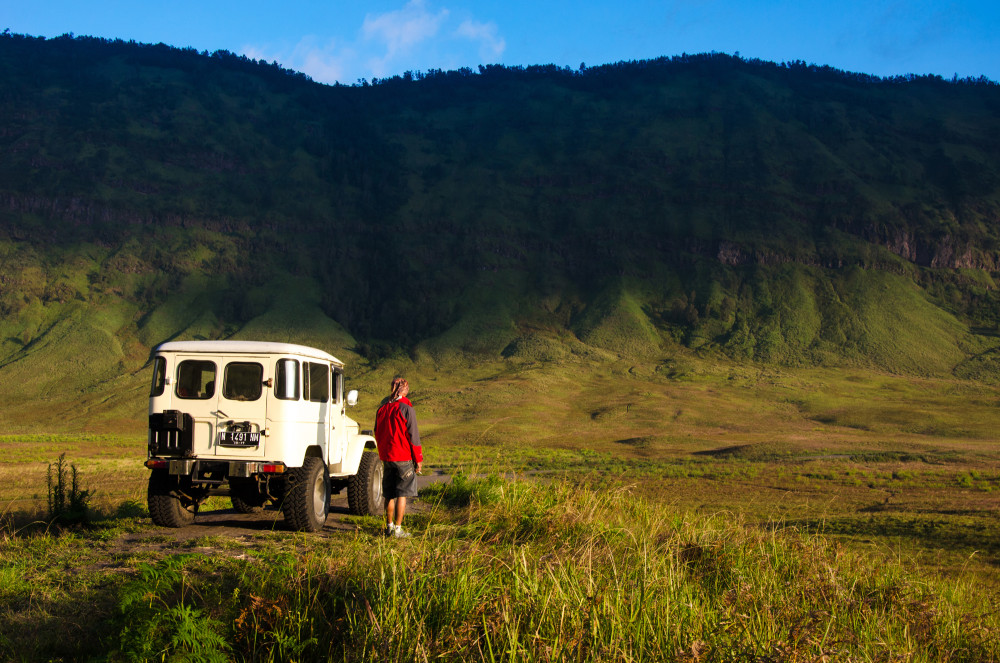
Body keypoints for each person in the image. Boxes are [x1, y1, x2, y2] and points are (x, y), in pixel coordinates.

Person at [374, 377, 423, 538]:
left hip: (386, 457)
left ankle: (388, 527)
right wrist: (419, 459)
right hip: (402, 456)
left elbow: (376, 431)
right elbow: (413, 435)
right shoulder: (406, 408)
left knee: (389, 494)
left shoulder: (382, 409)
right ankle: (398, 529)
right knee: (402, 493)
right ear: (405, 390)